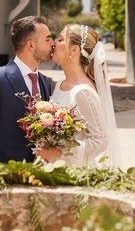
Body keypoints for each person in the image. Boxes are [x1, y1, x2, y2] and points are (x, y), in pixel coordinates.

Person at [0, 15, 54, 162]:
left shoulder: (45, 82)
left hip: (40, 179)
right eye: (48, 39)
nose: (52, 43)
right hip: (7, 179)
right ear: (31, 45)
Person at [36, 24, 122, 168]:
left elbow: (100, 140)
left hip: (76, 171)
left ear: (74, 50)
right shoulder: (60, 85)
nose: (53, 43)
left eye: (60, 39)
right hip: (55, 167)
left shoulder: (82, 91)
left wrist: (60, 153)